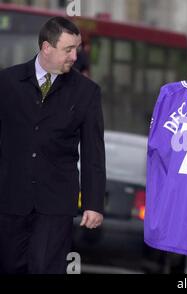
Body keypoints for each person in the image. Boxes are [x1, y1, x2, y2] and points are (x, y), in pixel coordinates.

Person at [0, 17, 106, 274]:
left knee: (45, 267)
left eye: (76, 49)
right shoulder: (7, 82)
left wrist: (93, 202)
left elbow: (93, 151)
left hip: (56, 203)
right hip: (10, 198)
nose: (74, 56)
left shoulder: (87, 92)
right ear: (46, 47)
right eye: (68, 49)